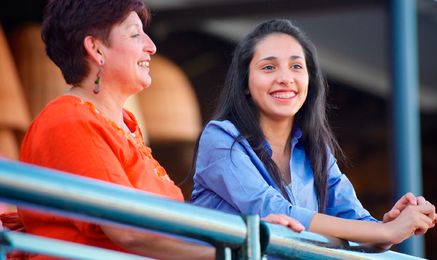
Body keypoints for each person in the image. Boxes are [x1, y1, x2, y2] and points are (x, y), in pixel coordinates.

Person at [13, 1, 302, 259]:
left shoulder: (122, 125)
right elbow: (129, 231)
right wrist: (232, 249)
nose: (150, 46)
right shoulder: (72, 120)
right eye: (135, 34)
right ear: (96, 48)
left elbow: (168, 228)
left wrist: (247, 231)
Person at [192, 19, 437, 250]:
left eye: (296, 67)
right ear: (245, 83)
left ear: (309, 81)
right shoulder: (221, 138)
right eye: (268, 67)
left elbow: (357, 226)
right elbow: (272, 211)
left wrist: (389, 225)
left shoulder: (315, 150)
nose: (285, 78)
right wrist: (384, 232)